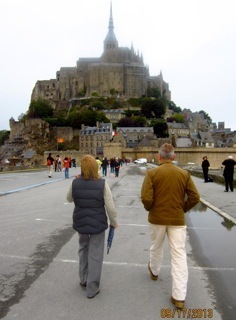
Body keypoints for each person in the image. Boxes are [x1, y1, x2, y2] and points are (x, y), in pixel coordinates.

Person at [141, 143, 200, 309]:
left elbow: (146, 198)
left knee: (156, 246)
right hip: (177, 219)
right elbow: (195, 197)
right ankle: (179, 296)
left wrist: (150, 208)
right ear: (174, 157)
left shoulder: (152, 173)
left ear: (159, 157)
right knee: (179, 256)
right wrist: (182, 209)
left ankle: (154, 271)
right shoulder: (184, 174)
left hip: (157, 218)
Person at [66, 155, 117, 299]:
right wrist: (113, 222)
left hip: (81, 222)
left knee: (83, 249)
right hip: (97, 223)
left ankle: (83, 278)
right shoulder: (102, 183)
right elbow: (110, 206)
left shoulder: (75, 182)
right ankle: (92, 287)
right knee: (95, 252)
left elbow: (69, 199)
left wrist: (76, 182)